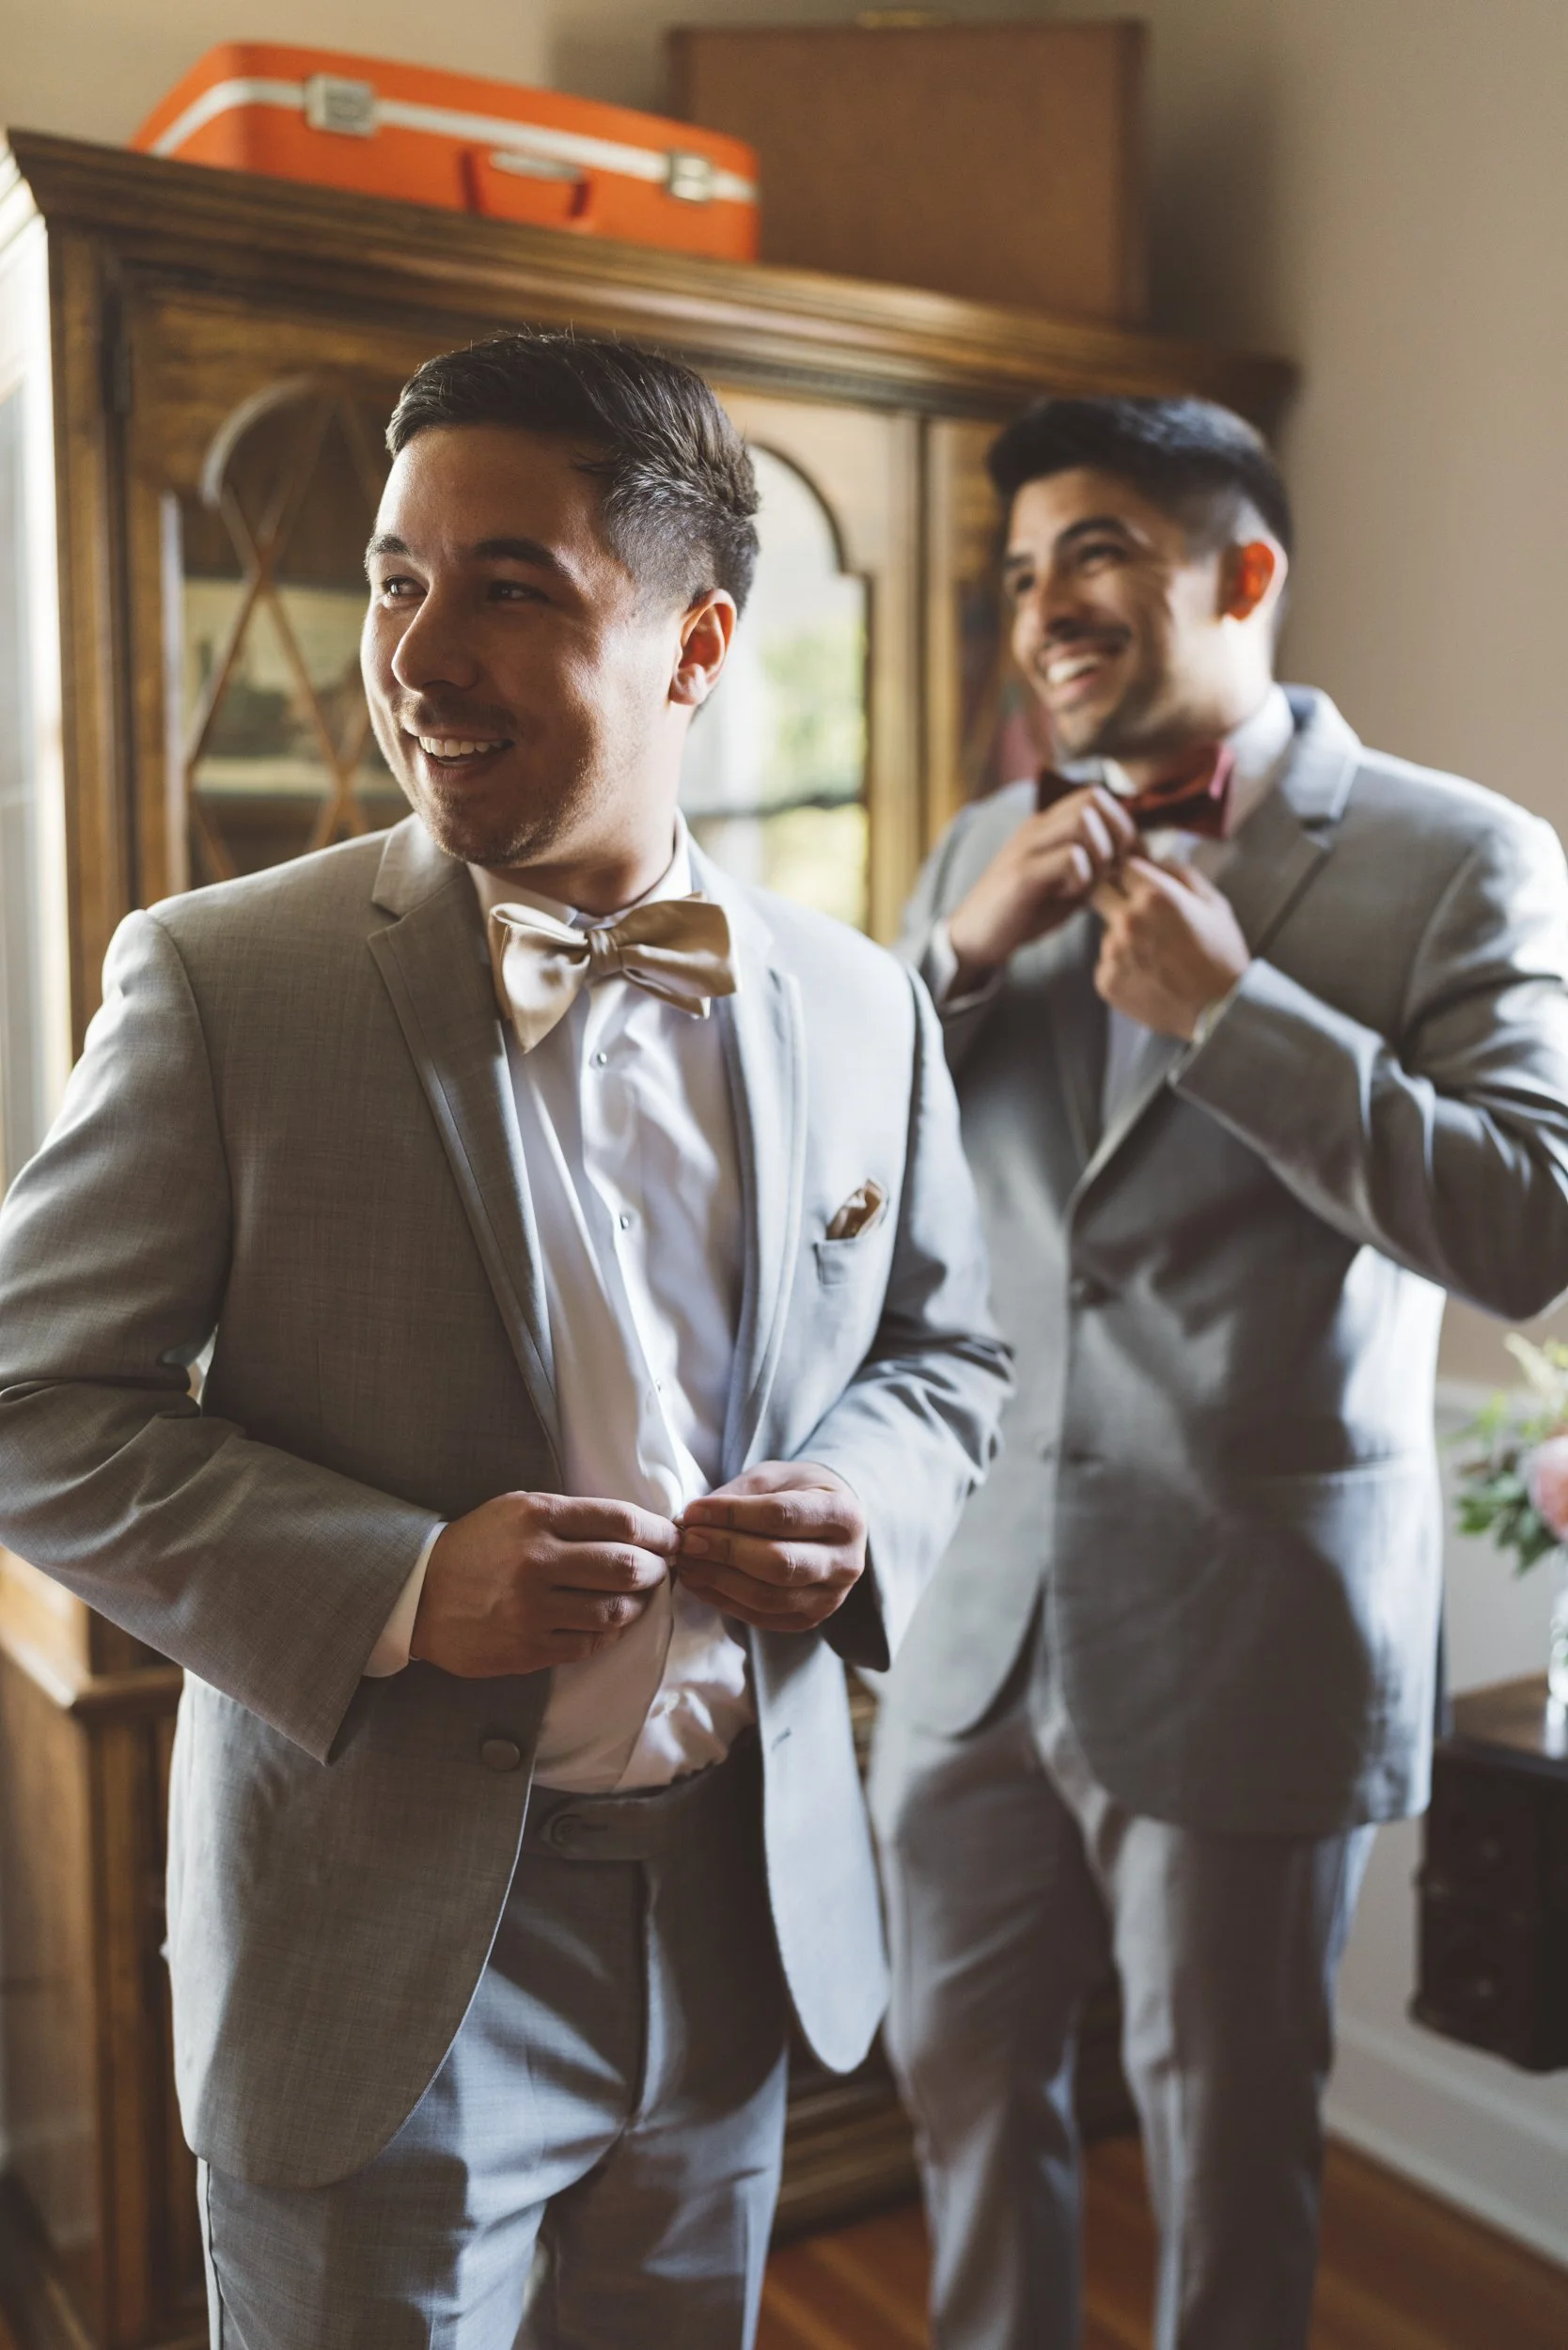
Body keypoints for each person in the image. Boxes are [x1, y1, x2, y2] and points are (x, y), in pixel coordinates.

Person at [0, 331, 1010, 2350]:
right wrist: (398, 1584)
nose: (415, 655)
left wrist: (859, 1501)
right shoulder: (222, 981)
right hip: (376, 1944)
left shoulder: (861, 1002)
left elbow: (946, 1358)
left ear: (697, 645)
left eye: (509, 588)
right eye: (396, 578)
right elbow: (35, 1406)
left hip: (736, 1909)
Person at [870, 393, 1568, 2350]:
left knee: (1231, 2147)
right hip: (976, 1618)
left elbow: (1534, 1225)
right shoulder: (976, 846)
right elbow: (852, 1171)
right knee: (960, 2097)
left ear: (1243, 571)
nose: (1042, 612)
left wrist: (1237, 1012)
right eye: (1021, 573)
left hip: (1252, 1618)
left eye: (1093, 552)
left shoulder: (1463, 856)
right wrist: (953, 959)